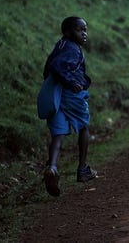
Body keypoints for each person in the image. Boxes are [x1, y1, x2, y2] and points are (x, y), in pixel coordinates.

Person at [42, 16, 97, 197]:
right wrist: (71, 82)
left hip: (57, 96)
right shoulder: (72, 49)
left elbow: (49, 67)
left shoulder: (61, 45)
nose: (84, 34)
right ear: (67, 32)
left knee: (58, 134)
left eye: (85, 30)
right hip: (71, 95)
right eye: (79, 30)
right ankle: (82, 169)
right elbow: (58, 67)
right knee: (83, 127)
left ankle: (52, 168)